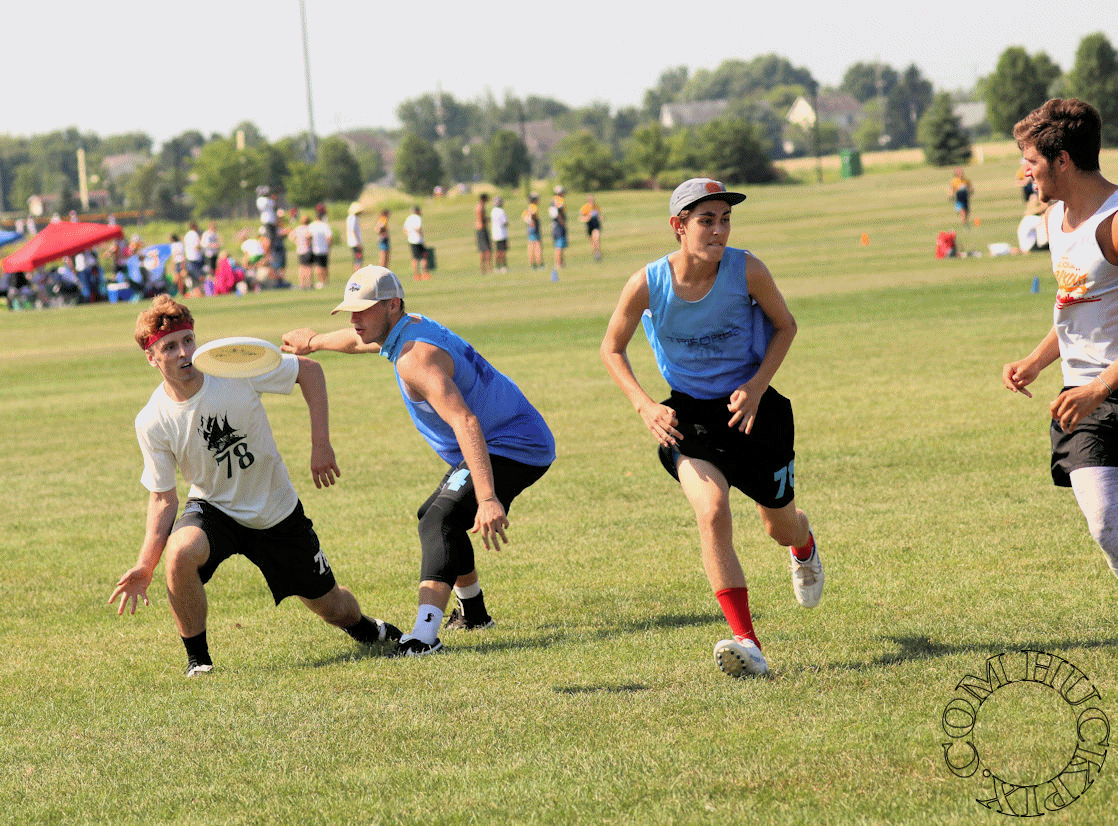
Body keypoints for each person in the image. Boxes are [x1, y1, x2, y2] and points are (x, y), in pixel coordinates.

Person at [600, 178, 824, 679]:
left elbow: (786, 326)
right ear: (678, 227)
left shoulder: (748, 270)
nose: (719, 230)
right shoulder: (647, 283)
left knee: (780, 527)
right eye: (706, 221)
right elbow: (611, 348)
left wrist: (757, 386)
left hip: (754, 412)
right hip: (690, 419)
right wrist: (644, 406)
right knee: (713, 510)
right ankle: (748, 642)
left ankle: (803, 544)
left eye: (725, 220)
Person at [109, 295, 403, 676]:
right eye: (169, 347)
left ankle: (365, 627)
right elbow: (163, 499)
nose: (184, 353)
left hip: (274, 510)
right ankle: (199, 662)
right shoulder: (151, 420)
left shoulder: (232, 369)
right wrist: (145, 565)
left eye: (188, 340)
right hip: (214, 508)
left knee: (332, 606)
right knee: (179, 553)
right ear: (151, 357)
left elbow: (309, 372)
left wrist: (320, 443)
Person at [281, 266, 555, 656]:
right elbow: (359, 340)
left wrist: (487, 497)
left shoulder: (415, 358)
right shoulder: (408, 326)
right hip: (506, 436)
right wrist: (313, 341)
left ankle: (424, 636)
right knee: (436, 514)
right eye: (351, 311)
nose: (355, 319)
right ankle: (474, 613)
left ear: (392, 304)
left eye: (364, 310)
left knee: (439, 519)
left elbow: (465, 420)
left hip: (513, 445)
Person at [1002, 98, 1118, 582]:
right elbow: (1076, 302)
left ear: (1063, 160)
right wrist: (1036, 360)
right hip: (1083, 402)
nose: (1025, 171)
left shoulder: (1114, 223)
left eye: (1031, 160)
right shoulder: (1053, 219)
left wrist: (1100, 387)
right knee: (1107, 523)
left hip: (1102, 389)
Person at [309, 203, 333, 289]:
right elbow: (329, 238)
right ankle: (325, 281)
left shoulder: (311, 226)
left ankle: (321, 281)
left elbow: (308, 237)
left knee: (318, 266)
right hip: (324, 249)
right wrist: (329, 247)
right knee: (324, 266)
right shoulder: (325, 225)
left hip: (315, 249)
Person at [403, 205, 429, 281]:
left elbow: (405, 228)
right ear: (417, 211)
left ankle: (416, 274)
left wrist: (409, 235)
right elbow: (418, 228)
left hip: (411, 240)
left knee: (415, 258)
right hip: (418, 240)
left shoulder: (409, 218)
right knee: (424, 256)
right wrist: (421, 236)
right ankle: (425, 273)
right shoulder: (418, 218)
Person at [549, 186, 568, 272]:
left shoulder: (553, 201)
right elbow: (558, 214)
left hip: (555, 225)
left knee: (559, 245)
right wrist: (562, 223)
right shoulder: (559, 201)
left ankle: (561, 263)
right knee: (559, 245)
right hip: (558, 226)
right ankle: (558, 264)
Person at [579, 195, 603, 261]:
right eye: (590, 201)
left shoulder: (596, 207)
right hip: (589, 226)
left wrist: (601, 218)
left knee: (596, 238)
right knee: (593, 241)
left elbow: (599, 216)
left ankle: (597, 253)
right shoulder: (584, 208)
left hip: (596, 225)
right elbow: (581, 218)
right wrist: (587, 218)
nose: (592, 202)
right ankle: (596, 253)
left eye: (592, 200)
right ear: (588, 201)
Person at [522, 193, 543, 270]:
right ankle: (539, 264)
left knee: (531, 245)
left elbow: (524, 216)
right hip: (534, 227)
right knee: (537, 245)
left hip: (529, 228)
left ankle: (532, 264)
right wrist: (532, 222)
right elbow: (532, 215)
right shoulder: (534, 207)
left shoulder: (529, 207)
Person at [293, 213, 313, 290]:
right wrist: (309, 243)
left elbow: (292, 236)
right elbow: (308, 237)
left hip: (299, 250)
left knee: (301, 267)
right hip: (307, 250)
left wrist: (296, 242)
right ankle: (308, 284)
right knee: (308, 267)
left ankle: (302, 284)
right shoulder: (308, 228)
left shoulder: (298, 228)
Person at [491, 196, 509, 273]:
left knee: (497, 251)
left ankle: (497, 266)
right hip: (502, 234)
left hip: (495, 234)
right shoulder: (501, 211)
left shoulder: (493, 211)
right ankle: (504, 266)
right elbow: (504, 222)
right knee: (502, 251)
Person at [475, 193, 492, 274]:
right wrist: (488, 219)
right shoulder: (481, 207)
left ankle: (483, 269)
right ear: (484, 198)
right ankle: (488, 268)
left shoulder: (477, 206)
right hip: (482, 229)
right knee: (487, 249)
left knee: (482, 250)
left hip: (479, 229)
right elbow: (482, 219)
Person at [346, 202, 365, 270]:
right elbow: (353, 230)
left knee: (356, 258)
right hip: (355, 242)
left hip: (351, 242)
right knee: (358, 259)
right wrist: (358, 242)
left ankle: (357, 270)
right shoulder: (354, 218)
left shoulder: (349, 218)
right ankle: (357, 272)